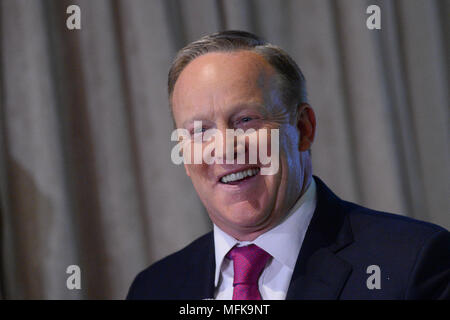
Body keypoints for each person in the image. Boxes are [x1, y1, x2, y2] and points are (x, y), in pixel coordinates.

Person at [126, 30, 449, 300]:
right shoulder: (154, 288)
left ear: (303, 128)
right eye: (200, 131)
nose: (224, 149)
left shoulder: (412, 262)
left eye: (246, 120)